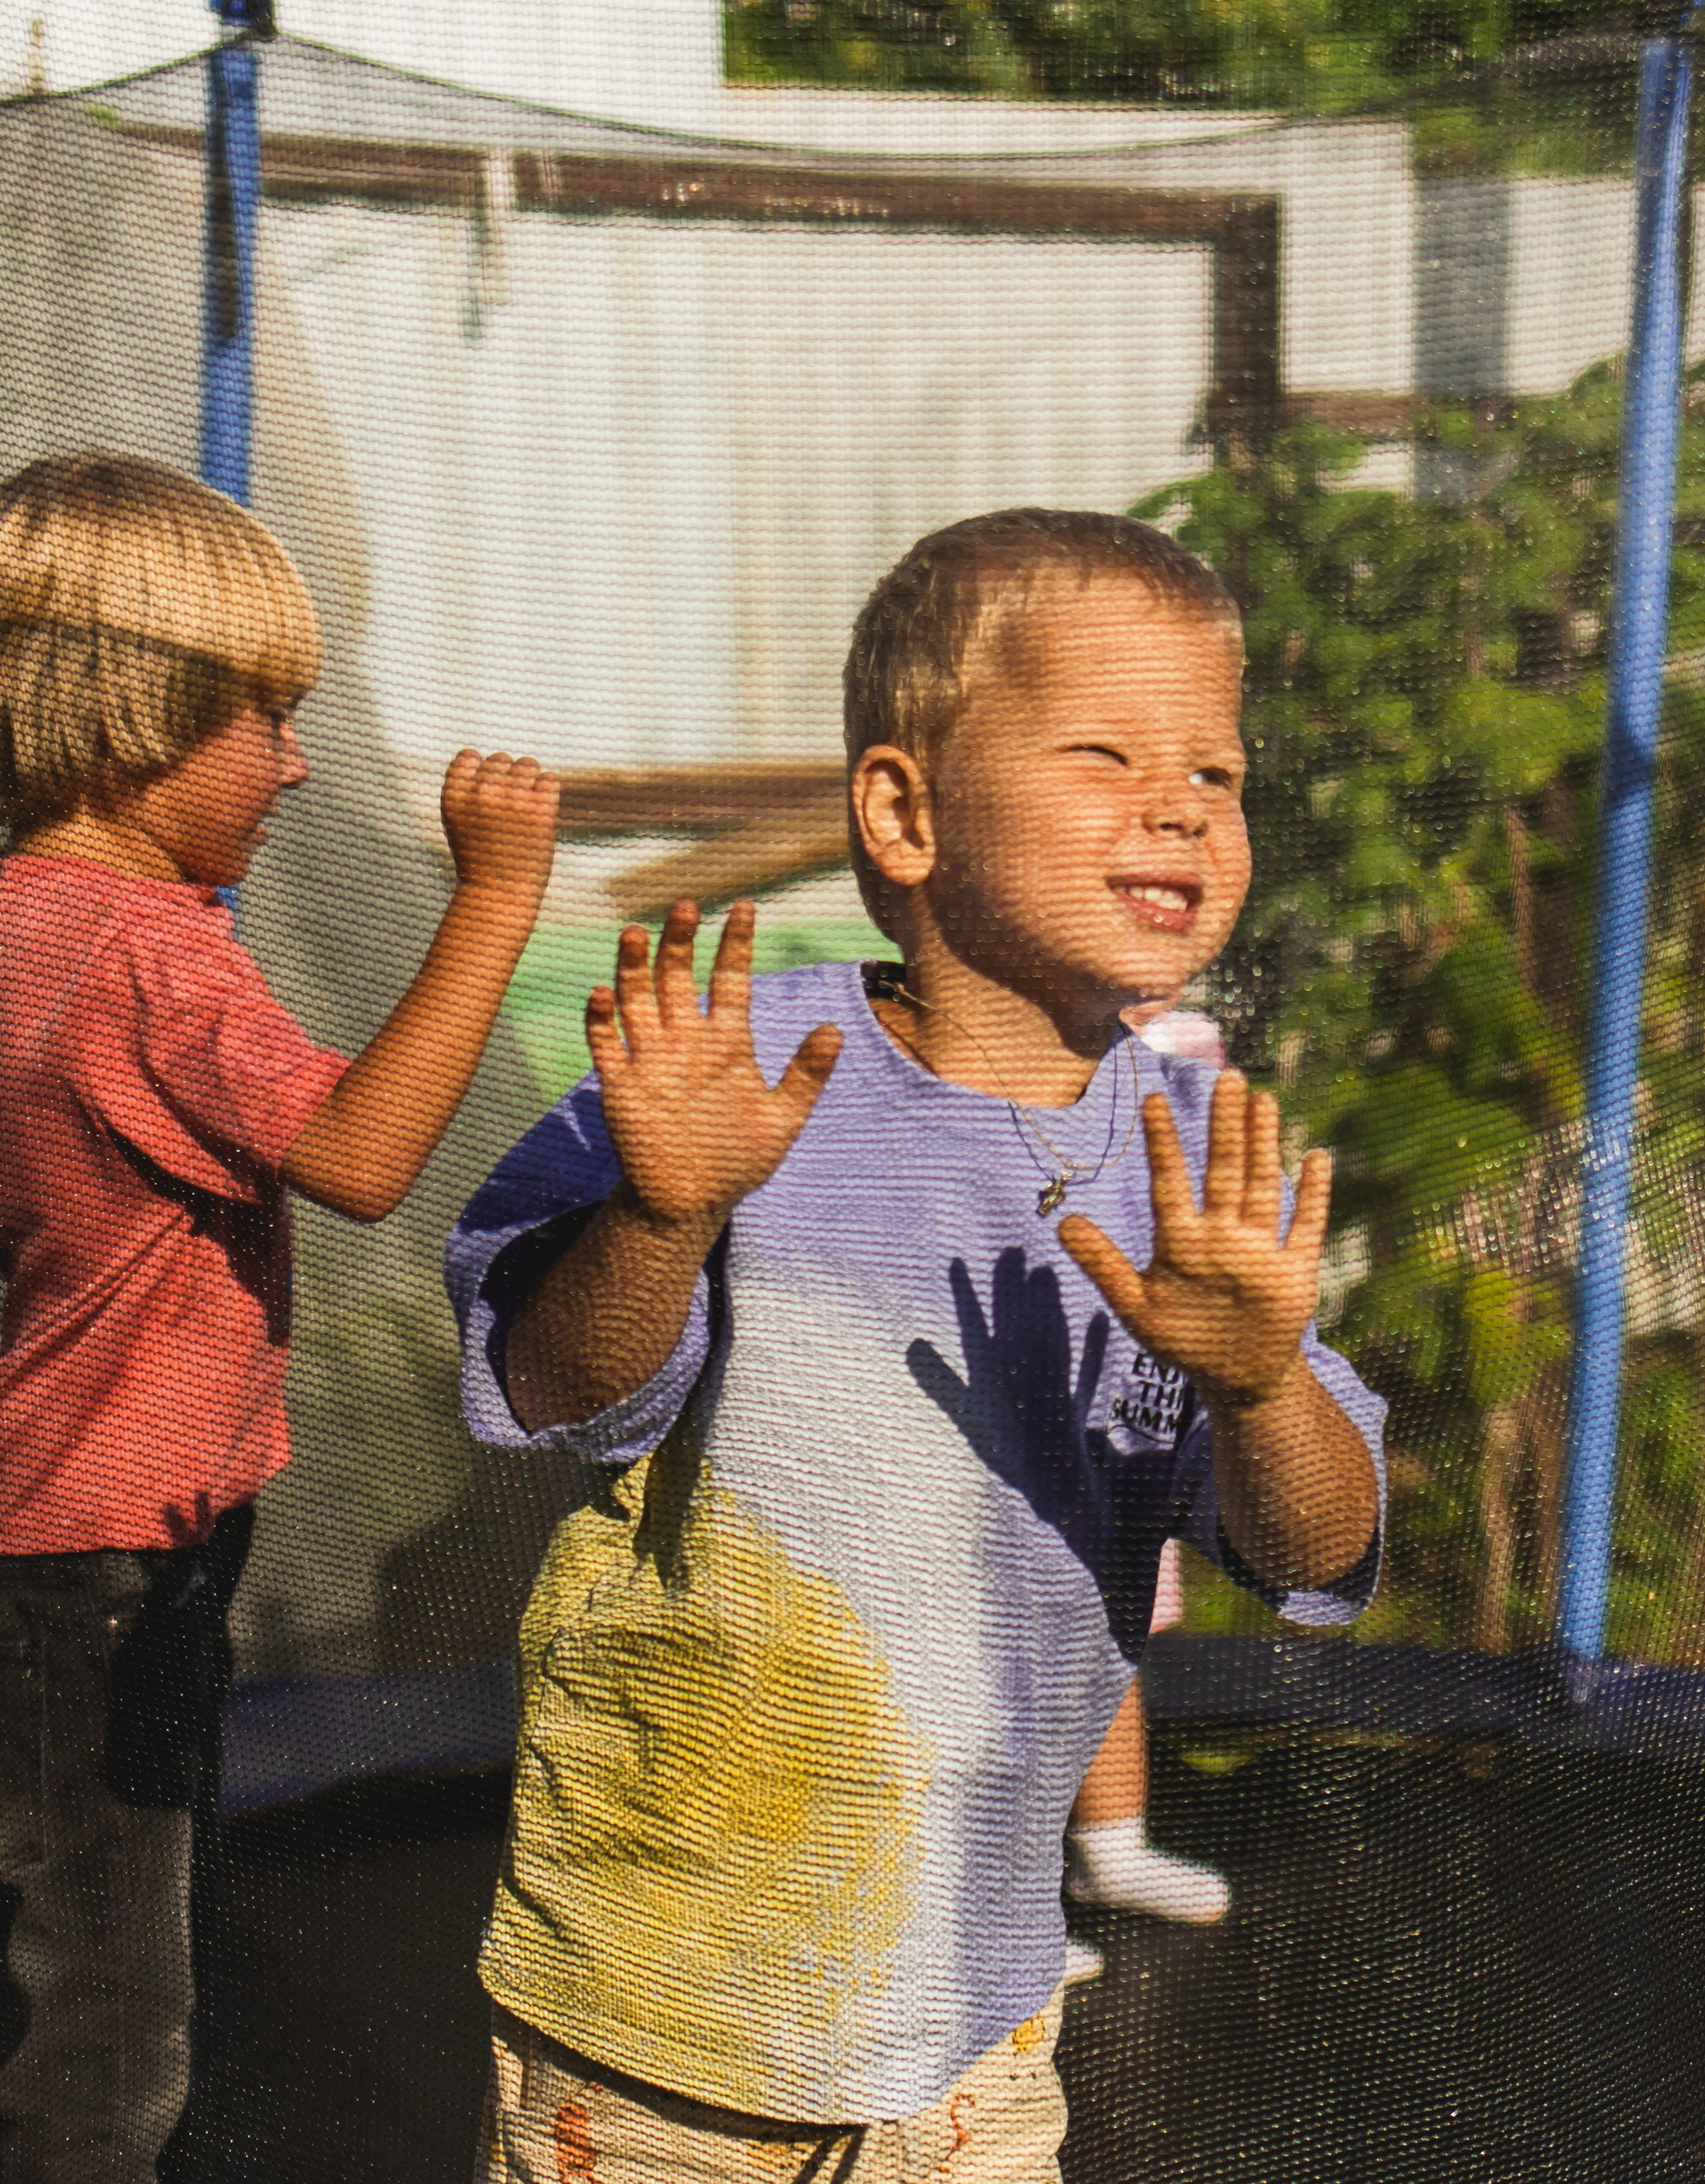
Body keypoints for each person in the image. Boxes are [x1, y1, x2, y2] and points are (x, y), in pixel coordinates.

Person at [447, 507, 1385, 2184]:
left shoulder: (1196, 1162)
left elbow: (1316, 1548)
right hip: (659, 2017)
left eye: (1218, 775)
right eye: (1106, 752)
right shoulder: (742, 1073)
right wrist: (659, 1217)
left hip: (974, 2036)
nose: (1179, 801)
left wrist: (1263, 1379)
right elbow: (550, 1395)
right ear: (903, 807)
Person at [0, 452, 560, 2183]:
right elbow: (363, 1151)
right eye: (261, 716)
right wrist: (493, 897)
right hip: (111, 1554)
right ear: (124, 718)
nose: (298, 762)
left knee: (42, 1916)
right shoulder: (152, 954)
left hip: (36, 1517)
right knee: (110, 2002)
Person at [1060, 1005, 1233, 1989]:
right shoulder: (1005, 1031)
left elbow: (1208, 1187)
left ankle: (1110, 1845)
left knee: (1113, 1632)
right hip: (1018, 1396)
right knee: (999, 1668)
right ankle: (981, 1907)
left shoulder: (1184, 1041)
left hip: (1127, 1402)